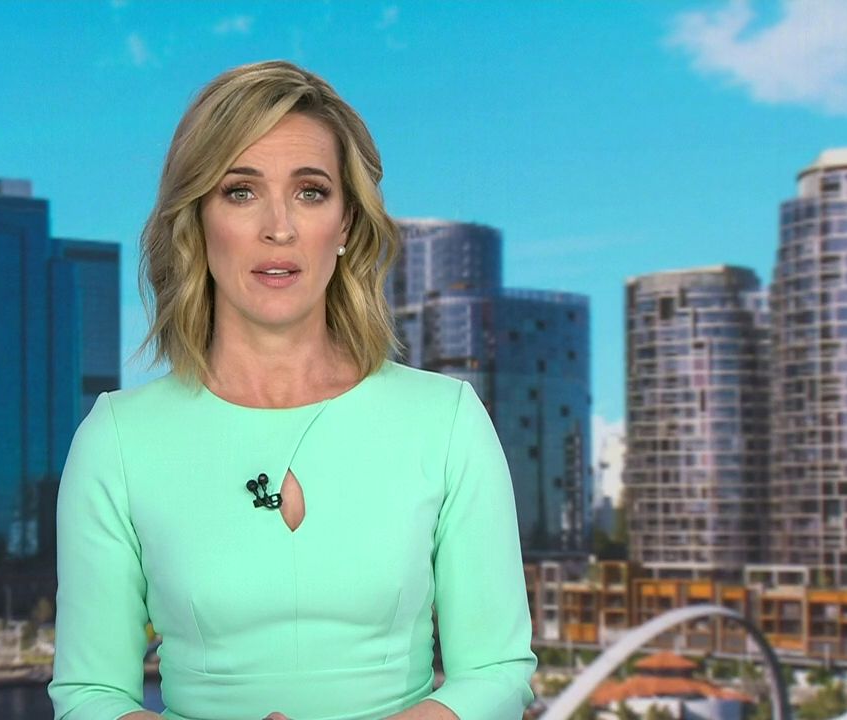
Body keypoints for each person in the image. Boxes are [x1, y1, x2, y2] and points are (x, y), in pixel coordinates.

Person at [50, 60, 536, 720]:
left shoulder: (447, 420)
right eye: (240, 192)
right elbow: (90, 695)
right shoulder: (116, 440)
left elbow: (498, 673)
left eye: (310, 192)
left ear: (347, 225)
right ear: (196, 220)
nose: (278, 227)